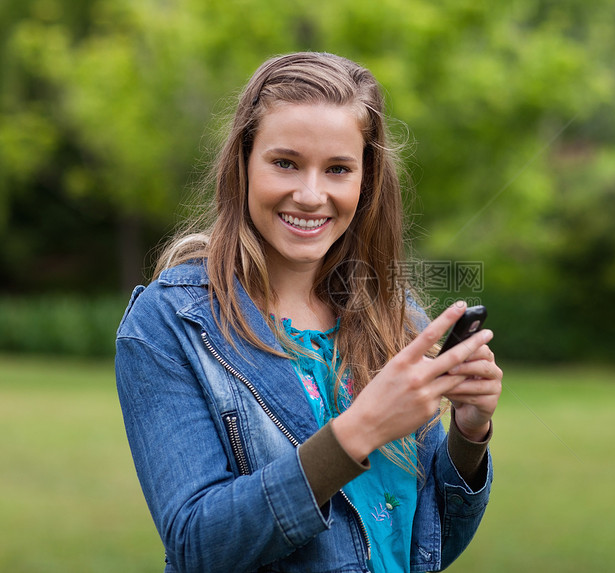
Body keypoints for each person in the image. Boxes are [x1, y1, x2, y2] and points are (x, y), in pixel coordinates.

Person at [115, 51, 503, 573]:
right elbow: (197, 547)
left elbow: (427, 545)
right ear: (243, 163)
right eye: (285, 163)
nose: (311, 194)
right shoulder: (171, 325)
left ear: (365, 182)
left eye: (338, 169)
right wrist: (356, 433)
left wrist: (469, 432)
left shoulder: (395, 317)